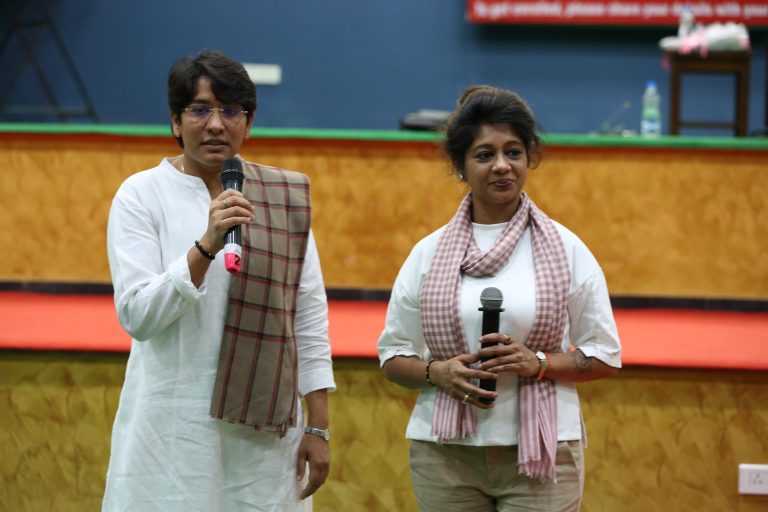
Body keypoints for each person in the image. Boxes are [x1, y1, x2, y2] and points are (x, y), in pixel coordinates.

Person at [102, 50, 335, 512]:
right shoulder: (141, 195)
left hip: (265, 438)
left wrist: (318, 426)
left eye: (230, 111)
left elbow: (307, 317)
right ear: (175, 121)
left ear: (248, 124)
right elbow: (138, 316)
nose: (215, 124)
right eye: (199, 109)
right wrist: (207, 244)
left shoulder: (282, 198)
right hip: (172, 430)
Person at [377, 85, 622, 512]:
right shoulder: (427, 254)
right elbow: (393, 357)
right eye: (484, 154)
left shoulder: (567, 249)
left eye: (513, 152)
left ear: (530, 158)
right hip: (445, 455)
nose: (502, 166)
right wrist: (438, 372)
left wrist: (539, 363)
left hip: (544, 453)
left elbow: (604, 354)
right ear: (461, 166)